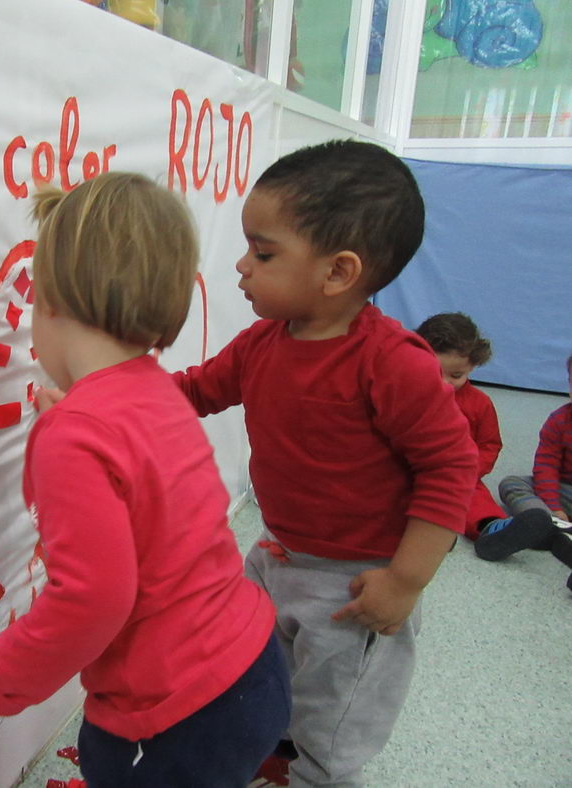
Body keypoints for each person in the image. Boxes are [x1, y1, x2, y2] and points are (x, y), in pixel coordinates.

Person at [0, 172, 290, 787]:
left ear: (49, 303)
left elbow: (92, 600)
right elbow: (146, 484)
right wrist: (72, 425)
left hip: (176, 713)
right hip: (252, 665)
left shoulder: (77, 436)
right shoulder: (155, 394)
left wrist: (1, 677)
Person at [171, 140, 478, 788]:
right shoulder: (261, 345)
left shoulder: (391, 362)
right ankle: (275, 757)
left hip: (356, 585)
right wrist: (109, 392)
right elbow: (193, 391)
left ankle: (314, 776)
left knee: (333, 716)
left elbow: (450, 466)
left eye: (262, 253)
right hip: (279, 553)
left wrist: (404, 580)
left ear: (337, 272)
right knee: (266, 680)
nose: (240, 267)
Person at [415, 312, 555, 560]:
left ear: (473, 366)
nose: (446, 383)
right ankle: (429, 532)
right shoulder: (407, 393)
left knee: (474, 497)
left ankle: (492, 529)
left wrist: (470, 469)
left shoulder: (479, 404)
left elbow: (489, 444)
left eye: (456, 375)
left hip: (457, 474)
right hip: (406, 470)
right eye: (435, 372)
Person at [498, 353, 572, 589]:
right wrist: (554, 506)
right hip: (565, 491)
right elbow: (546, 465)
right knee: (512, 483)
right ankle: (540, 521)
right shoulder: (559, 420)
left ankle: (559, 536)